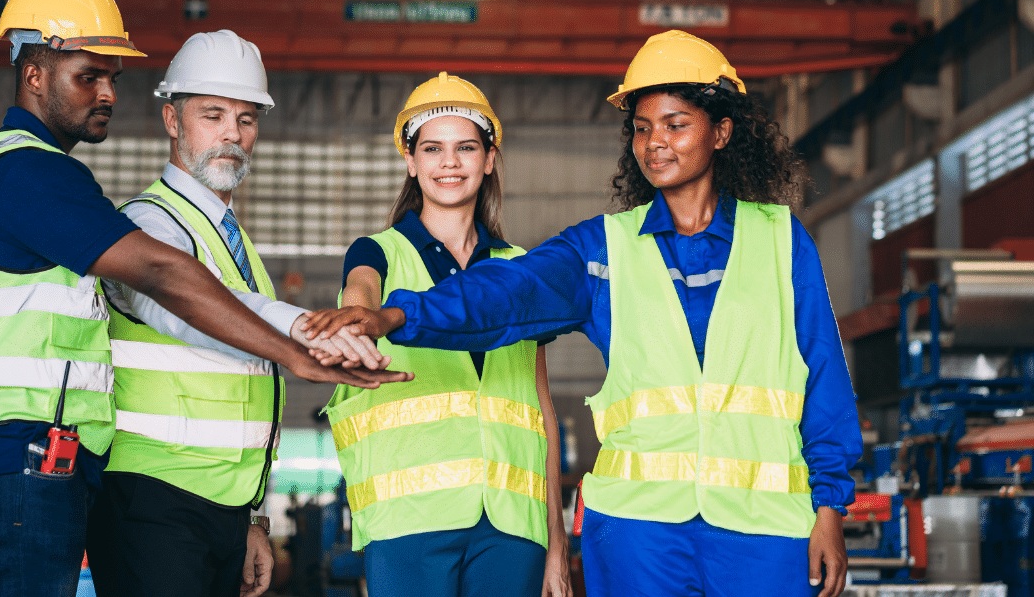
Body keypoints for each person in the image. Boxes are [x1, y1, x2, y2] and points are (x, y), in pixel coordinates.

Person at [0, 0, 408, 597]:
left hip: (41, 464)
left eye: (113, 79)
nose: (106, 94)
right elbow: (162, 276)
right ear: (34, 74)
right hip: (58, 476)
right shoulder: (30, 173)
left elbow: (27, 349)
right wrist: (298, 352)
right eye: (88, 76)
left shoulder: (49, 188)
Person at [305, 31, 862, 597]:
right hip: (637, 530)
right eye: (642, 129)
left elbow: (824, 376)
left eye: (676, 124)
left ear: (721, 132)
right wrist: (398, 316)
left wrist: (831, 507)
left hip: (763, 530)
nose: (656, 144)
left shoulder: (780, 241)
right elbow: (506, 292)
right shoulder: (602, 250)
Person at [86, 30, 382, 597]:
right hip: (152, 499)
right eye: (212, 114)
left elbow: (246, 398)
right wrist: (304, 330)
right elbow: (191, 309)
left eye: (246, 119)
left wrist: (253, 518)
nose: (232, 134)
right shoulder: (149, 225)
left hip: (219, 508)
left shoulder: (231, 241)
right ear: (172, 121)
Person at [325, 72, 570, 597]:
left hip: (511, 525)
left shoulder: (522, 268)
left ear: (488, 158)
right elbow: (360, 290)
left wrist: (555, 544)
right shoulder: (378, 251)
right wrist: (358, 319)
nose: (450, 163)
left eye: (466, 148)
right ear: (411, 162)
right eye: (432, 149)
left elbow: (541, 404)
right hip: (410, 521)